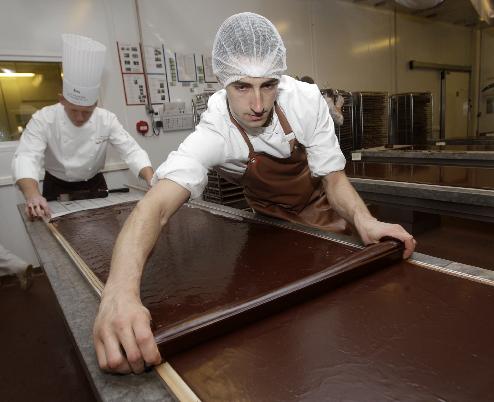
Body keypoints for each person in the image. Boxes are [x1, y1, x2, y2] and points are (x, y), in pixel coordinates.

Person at [93, 12, 416, 374]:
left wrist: (366, 221)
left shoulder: (306, 102)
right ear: (222, 82)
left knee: (333, 313)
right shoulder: (215, 132)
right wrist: (119, 294)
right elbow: (155, 208)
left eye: (268, 85)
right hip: (266, 221)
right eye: (242, 87)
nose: (258, 104)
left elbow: (333, 179)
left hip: (320, 209)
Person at [12, 34, 153, 220]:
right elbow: (27, 156)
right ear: (62, 100)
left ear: (95, 104)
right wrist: (32, 195)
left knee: (103, 231)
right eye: (73, 110)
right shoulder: (44, 119)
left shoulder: (107, 120)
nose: (80, 117)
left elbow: (132, 151)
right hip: (56, 186)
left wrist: (152, 181)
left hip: (95, 184)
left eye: (86, 112)